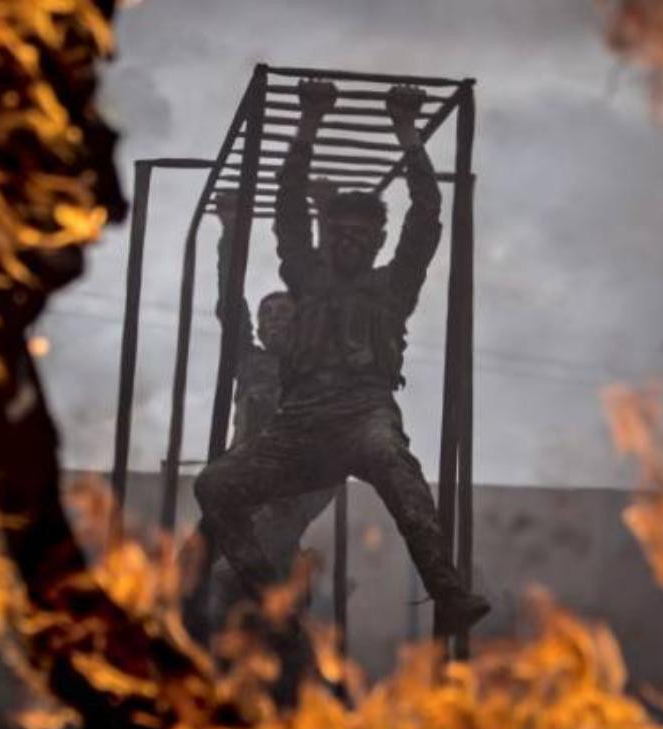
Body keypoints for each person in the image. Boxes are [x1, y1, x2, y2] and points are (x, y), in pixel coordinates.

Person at [193, 80, 490, 638]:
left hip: (362, 415)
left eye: (361, 234)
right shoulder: (305, 277)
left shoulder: (393, 287)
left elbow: (426, 214)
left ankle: (448, 594)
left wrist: (406, 130)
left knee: (401, 476)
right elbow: (287, 207)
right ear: (325, 235)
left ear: (377, 241)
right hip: (299, 427)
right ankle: (265, 590)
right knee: (214, 487)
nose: (349, 241)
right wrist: (310, 121)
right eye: (339, 232)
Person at [192, 189, 337, 636]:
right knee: (186, 581)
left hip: (285, 497)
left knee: (233, 584)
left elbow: (323, 294)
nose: (273, 319)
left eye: (283, 312)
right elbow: (229, 307)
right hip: (239, 489)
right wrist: (231, 232)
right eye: (266, 312)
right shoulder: (250, 363)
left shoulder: (317, 369)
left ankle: (283, 647)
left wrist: (326, 226)